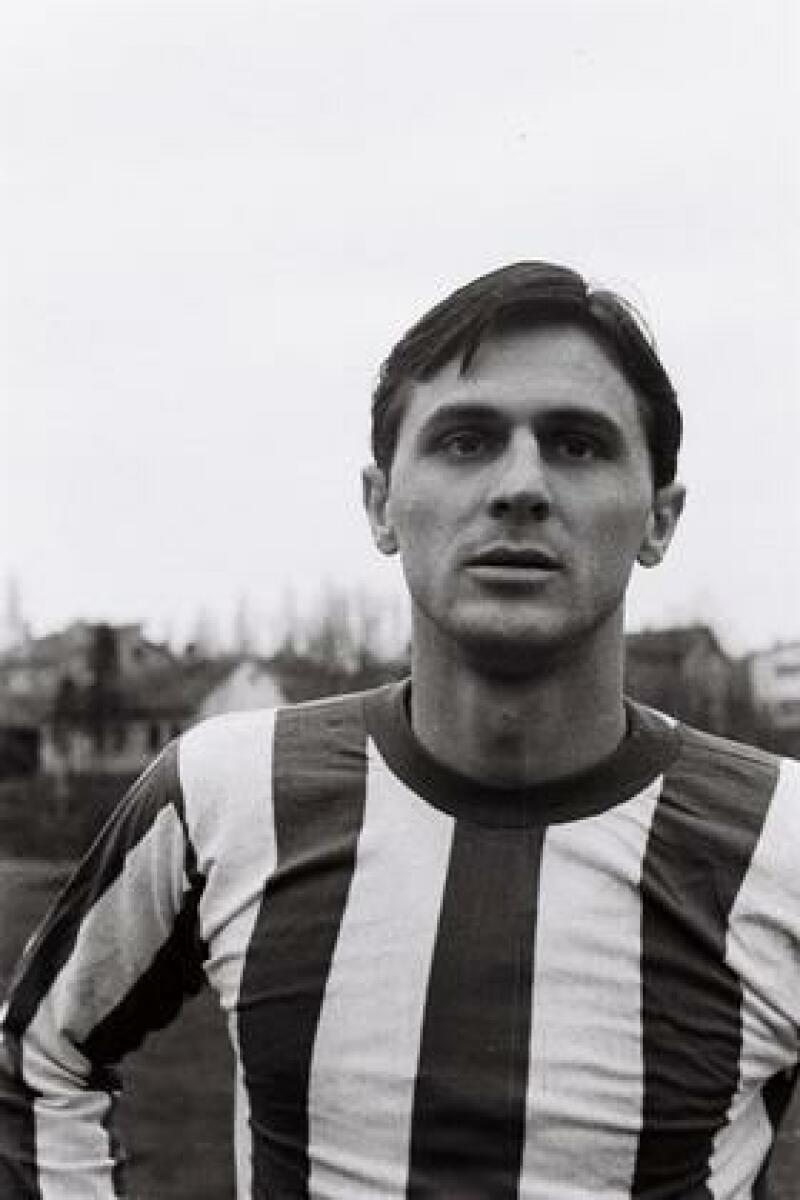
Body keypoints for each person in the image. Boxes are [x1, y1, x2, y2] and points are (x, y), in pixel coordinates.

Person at [0, 260, 798, 1198]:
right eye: (466, 441)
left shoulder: (781, 840)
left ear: (660, 519)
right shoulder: (225, 792)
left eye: (578, 445)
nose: (521, 486)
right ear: (381, 505)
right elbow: (37, 1054)